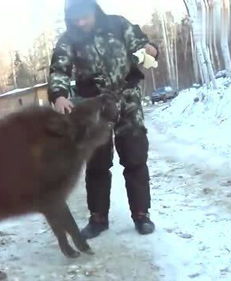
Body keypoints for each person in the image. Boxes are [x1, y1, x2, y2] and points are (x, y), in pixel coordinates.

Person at [48, 0, 158, 239]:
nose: (81, 22)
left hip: (127, 100)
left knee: (135, 158)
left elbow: (142, 45)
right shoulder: (69, 39)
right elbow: (59, 69)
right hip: (93, 107)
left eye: (84, 16)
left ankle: (141, 214)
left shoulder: (118, 25)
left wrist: (150, 50)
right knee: (97, 164)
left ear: (94, 11)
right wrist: (59, 95)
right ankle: (98, 218)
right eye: (75, 19)